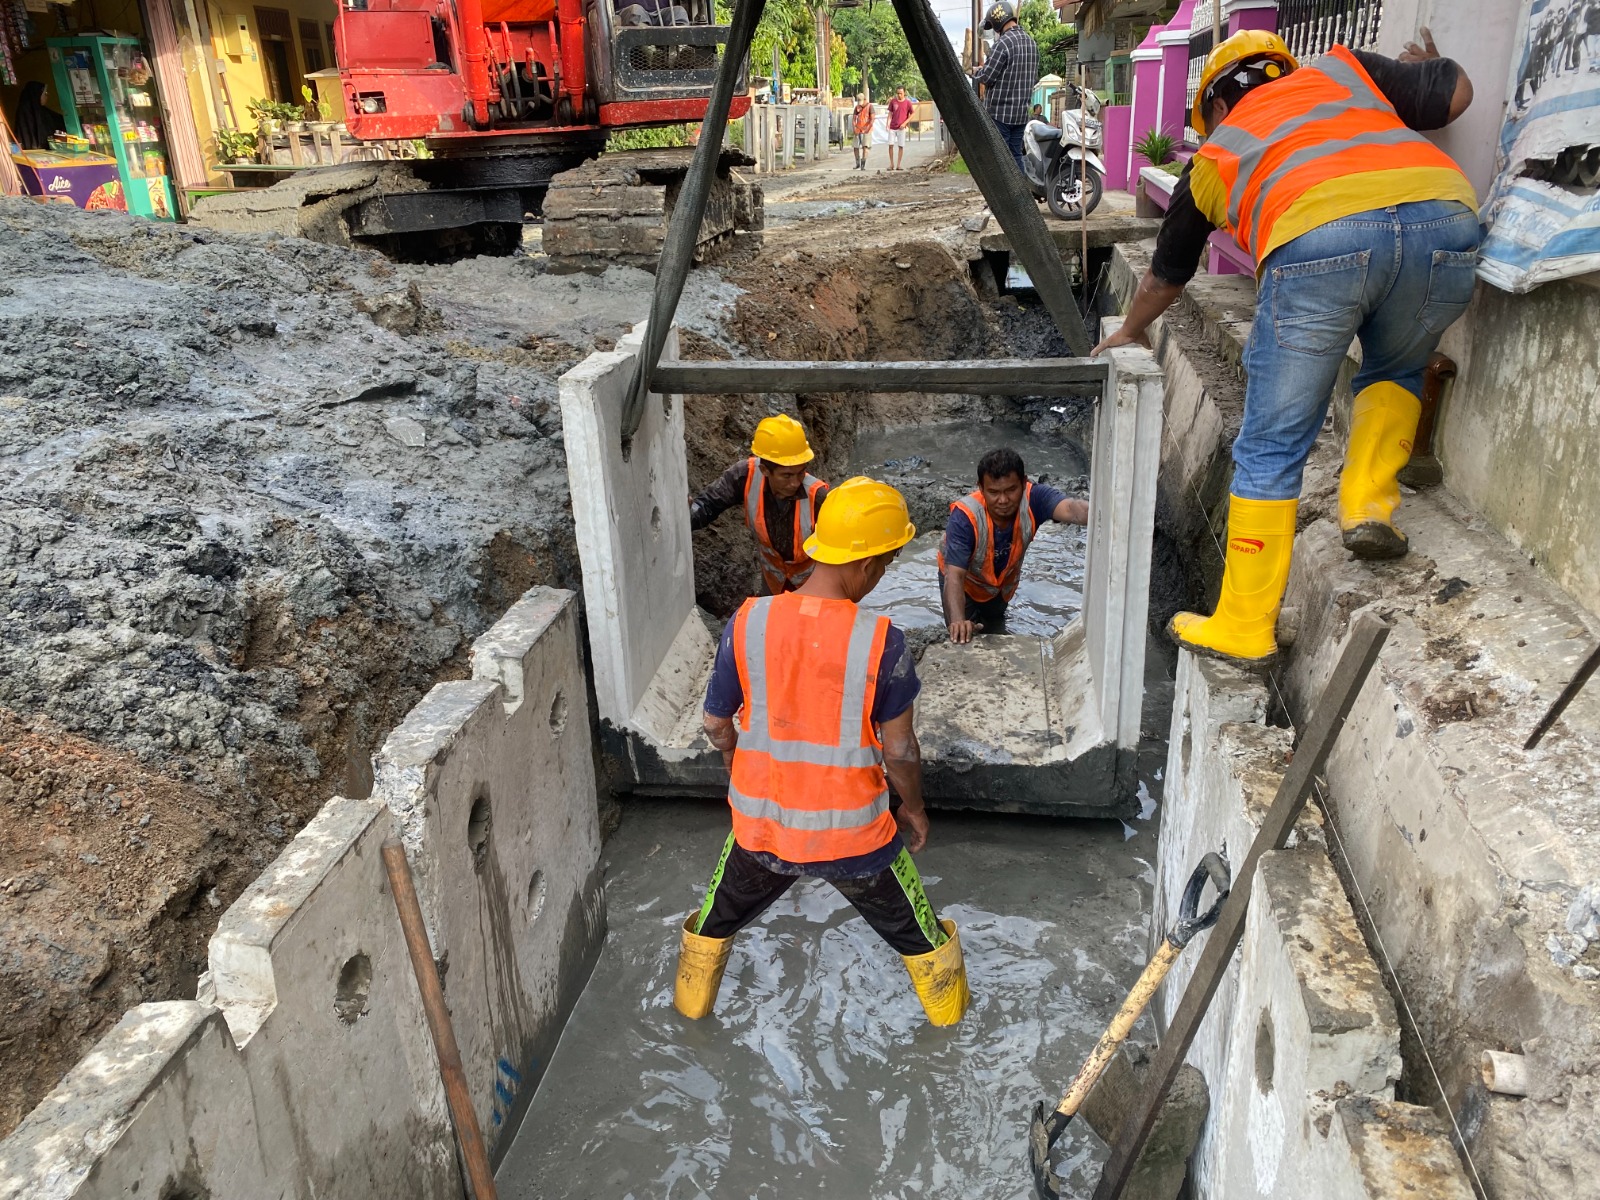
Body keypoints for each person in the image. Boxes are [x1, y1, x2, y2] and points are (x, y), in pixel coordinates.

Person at [1093, 29, 1478, 669]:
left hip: (1318, 238)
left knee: (1273, 440)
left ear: (1214, 104)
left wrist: (1130, 330)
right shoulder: (1346, 72)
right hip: (1449, 220)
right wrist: (1423, 68)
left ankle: (1244, 624)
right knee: (1399, 367)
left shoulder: (1218, 152)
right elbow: (1457, 91)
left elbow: (1167, 272)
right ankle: (1366, 510)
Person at [673, 477, 970, 1028]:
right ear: (864, 564)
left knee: (712, 925)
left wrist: (742, 777)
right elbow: (900, 749)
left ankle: (688, 1018)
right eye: (882, 564)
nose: (879, 577)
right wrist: (915, 810)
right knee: (921, 938)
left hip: (761, 832)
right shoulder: (883, 640)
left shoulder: (747, 621)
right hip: (855, 839)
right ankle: (951, 1025)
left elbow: (717, 724)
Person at [937, 447, 1089, 643]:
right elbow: (954, 575)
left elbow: (1070, 508)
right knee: (962, 634)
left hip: (1000, 586)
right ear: (981, 488)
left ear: (1024, 483)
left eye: (1011, 490)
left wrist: (1099, 512)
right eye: (993, 492)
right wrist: (958, 621)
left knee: (996, 627)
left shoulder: (1036, 499)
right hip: (963, 584)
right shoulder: (965, 517)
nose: (1003, 500)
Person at [690, 414, 830, 596]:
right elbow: (707, 506)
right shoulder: (743, 477)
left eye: (800, 472)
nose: (795, 483)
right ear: (765, 470)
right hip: (773, 583)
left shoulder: (818, 497)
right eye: (787, 476)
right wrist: (685, 514)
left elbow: (840, 554)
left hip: (812, 587)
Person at [970, 1, 1039, 172]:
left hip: (1000, 115)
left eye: (993, 26)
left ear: (998, 21)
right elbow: (1032, 78)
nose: (994, 30)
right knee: (1016, 156)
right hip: (1021, 115)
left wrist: (973, 72)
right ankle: (1020, 197)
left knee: (999, 161)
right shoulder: (1032, 44)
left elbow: (987, 76)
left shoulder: (1003, 43)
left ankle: (1002, 198)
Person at [13, 82, 66, 152]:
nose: (47, 96)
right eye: (45, 93)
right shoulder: (26, 112)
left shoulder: (42, 111)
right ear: (37, 94)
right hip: (31, 153)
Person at [886, 86, 914, 171]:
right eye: (898, 93)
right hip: (892, 127)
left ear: (904, 93)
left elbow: (912, 114)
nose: (899, 95)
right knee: (890, 145)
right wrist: (888, 123)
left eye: (901, 93)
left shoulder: (908, 103)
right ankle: (891, 164)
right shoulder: (893, 102)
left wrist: (905, 123)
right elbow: (890, 113)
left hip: (901, 128)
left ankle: (898, 164)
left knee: (900, 146)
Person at [852, 93, 874, 170]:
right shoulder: (857, 107)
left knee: (865, 146)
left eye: (860, 100)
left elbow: (872, 119)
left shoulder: (870, 106)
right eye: (858, 101)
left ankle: (863, 164)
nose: (859, 102)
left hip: (866, 129)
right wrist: (854, 128)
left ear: (864, 99)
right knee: (855, 147)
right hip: (858, 129)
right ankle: (857, 163)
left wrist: (868, 129)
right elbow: (854, 119)